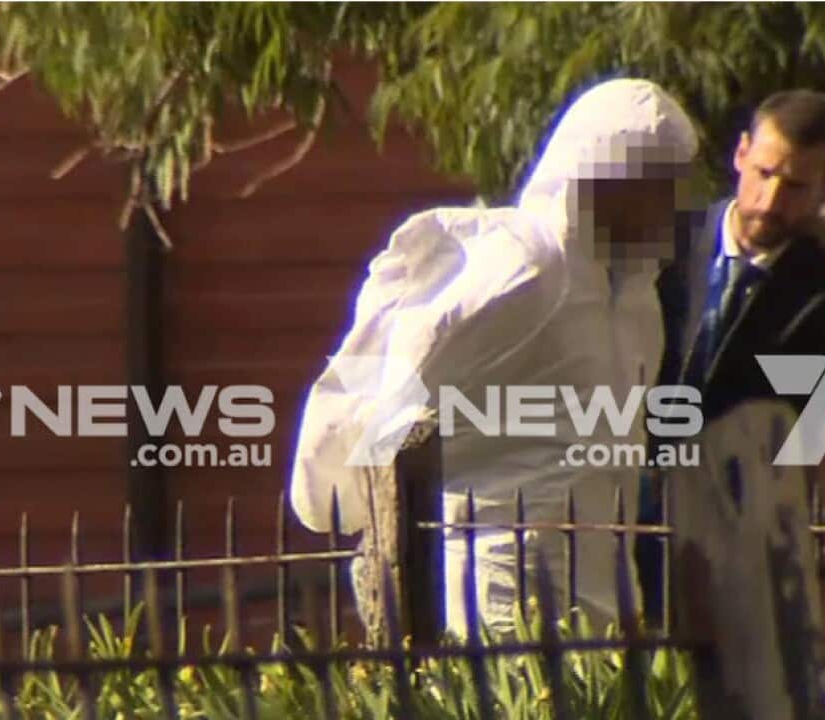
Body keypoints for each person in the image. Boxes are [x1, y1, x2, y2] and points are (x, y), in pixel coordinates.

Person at [291, 78, 700, 639]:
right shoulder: (523, 267)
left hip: (604, 600)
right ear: (596, 177)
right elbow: (401, 388)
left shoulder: (636, 300)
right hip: (498, 595)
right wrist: (353, 500)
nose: (661, 203)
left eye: (669, 183)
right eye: (645, 183)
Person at [638, 88, 825, 626]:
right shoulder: (661, 244)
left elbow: (796, 433)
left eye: (795, 187)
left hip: (726, 536)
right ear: (741, 154)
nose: (770, 201)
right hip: (616, 507)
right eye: (765, 173)